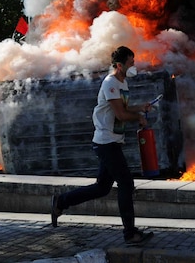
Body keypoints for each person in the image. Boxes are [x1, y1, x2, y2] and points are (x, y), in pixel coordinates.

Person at [50, 46, 154, 246]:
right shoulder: (110, 83)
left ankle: (60, 202)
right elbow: (122, 115)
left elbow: (123, 109)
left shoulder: (122, 84)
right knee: (126, 184)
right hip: (106, 143)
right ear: (119, 65)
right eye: (130, 63)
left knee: (101, 188)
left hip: (112, 141)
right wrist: (138, 117)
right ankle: (130, 234)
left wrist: (140, 107)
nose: (134, 66)